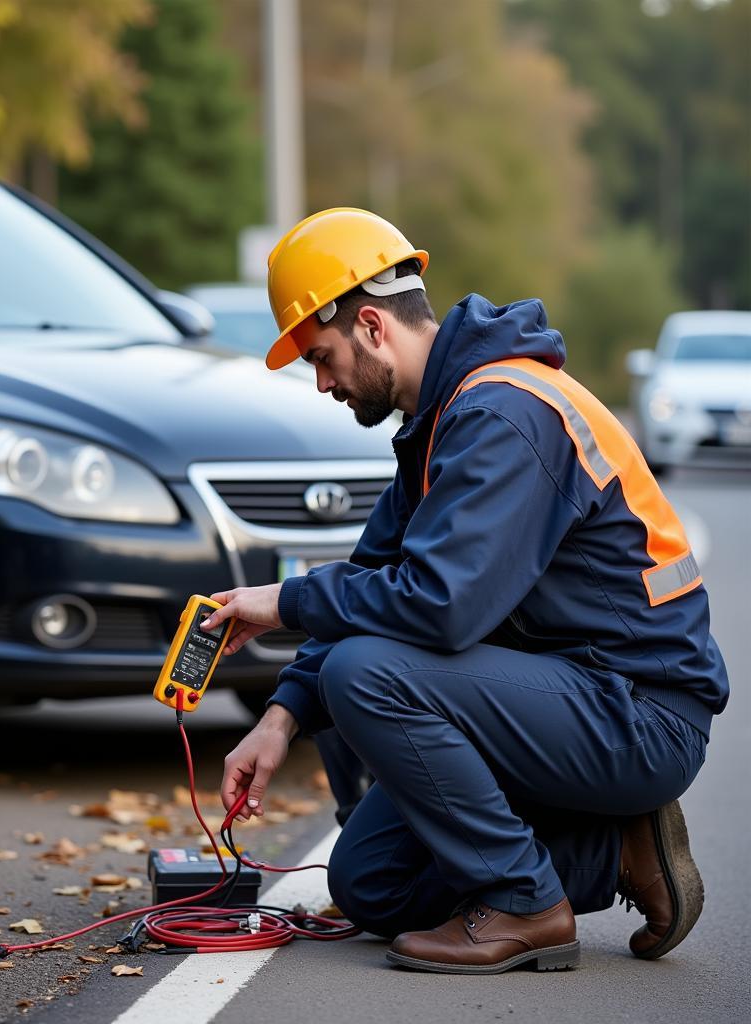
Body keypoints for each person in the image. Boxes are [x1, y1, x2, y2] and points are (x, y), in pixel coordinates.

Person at [199, 208, 728, 975]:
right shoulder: (441, 422)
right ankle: (611, 848)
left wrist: (281, 602)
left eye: (321, 356)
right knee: (368, 884)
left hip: (637, 714)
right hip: (555, 698)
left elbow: (440, 608)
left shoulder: (502, 415)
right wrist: (280, 718)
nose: (321, 384)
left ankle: (524, 902)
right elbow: (372, 577)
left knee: (365, 672)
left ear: (374, 327)